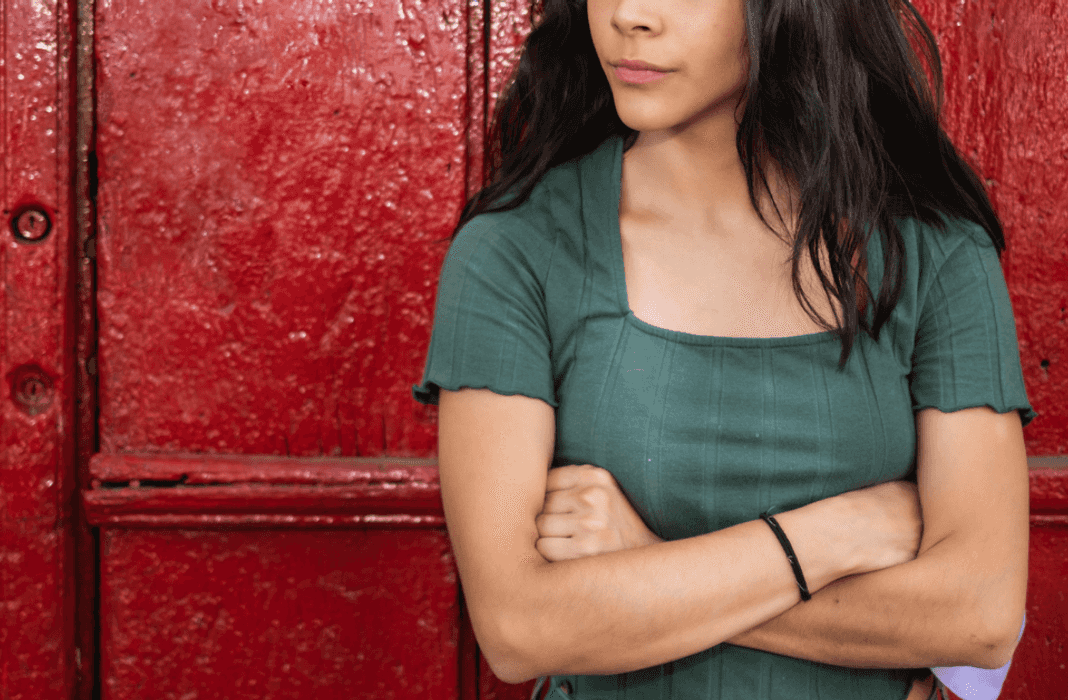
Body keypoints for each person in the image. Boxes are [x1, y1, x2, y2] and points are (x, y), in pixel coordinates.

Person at [411, 0, 1035, 699]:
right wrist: (831, 537)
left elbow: (978, 615)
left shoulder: (933, 250)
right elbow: (520, 628)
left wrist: (649, 563)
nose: (629, 16)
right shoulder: (516, 251)